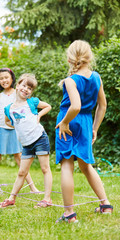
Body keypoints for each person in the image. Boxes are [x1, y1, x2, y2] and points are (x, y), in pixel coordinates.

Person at [55, 40, 113, 223]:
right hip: (86, 122)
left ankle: (69, 214)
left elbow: (75, 106)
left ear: (71, 59)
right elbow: (102, 106)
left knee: (66, 164)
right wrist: (94, 128)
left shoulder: (71, 80)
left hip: (69, 121)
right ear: (89, 56)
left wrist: (64, 123)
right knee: (86, 165)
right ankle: (105, 205)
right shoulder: (96, 77)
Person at [0, 68, 39, 197]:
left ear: (12, 79)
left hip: (14, 130)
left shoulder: (17, 92)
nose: (4, 80)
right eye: (1, 78)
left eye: (6, 77)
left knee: (19, 158)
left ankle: (33, 187)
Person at [0, 73, 53, 208]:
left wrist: (38, 115)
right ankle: (11, 199)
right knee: (22, 172)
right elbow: (8, 121)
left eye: (30, 88)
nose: (26, 89)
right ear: (17, 86)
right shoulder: (8, 109)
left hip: (40, 138)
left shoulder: (32, 102)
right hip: (26, 144)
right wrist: (17, 125)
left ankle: (47, 199)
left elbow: (48, 106)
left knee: (45, 168)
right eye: (24, 86)